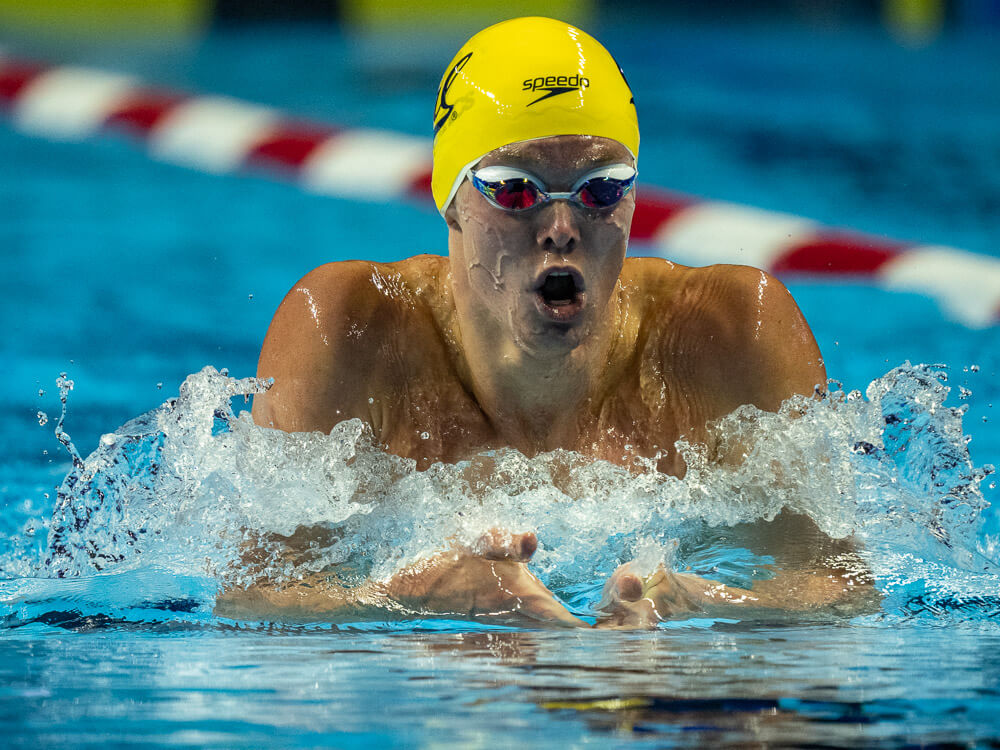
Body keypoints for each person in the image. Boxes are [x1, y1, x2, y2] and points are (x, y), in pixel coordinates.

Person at [218, 17, 869, 628]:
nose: (561, 228)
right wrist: (406, 599)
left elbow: (844, 592)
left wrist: (704, 606)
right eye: (515, 189)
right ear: (451, 201)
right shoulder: (350, 330)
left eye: (601, 189)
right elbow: (252, 600)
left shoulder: (730, 335)